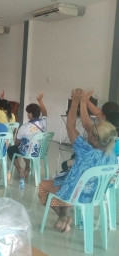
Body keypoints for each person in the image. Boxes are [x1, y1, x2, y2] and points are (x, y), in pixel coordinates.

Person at [38, 89, 117, 233]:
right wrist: (83, 101)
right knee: (67, 177)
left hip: (76, 193)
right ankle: (64, 215)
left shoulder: (85, 150)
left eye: (90, 133)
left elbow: (70, 126)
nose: (87, 133)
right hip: (95, 194)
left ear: (95, 138)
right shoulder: (112, 154)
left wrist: (74, 101)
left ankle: (63, 216)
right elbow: (88, 125)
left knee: (44, 187)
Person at [7, 93, 47, 179]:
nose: (27, 114)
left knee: (11, 149)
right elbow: (45, 113)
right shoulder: (43, 123)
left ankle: (20, 169)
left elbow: (17, 141)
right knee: (26, 145)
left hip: (27, 152)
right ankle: (28, 167)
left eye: (28, 113)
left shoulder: (24, 127)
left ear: (31, 114)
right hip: (40, 151)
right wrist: (40, 101)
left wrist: (22, 142)